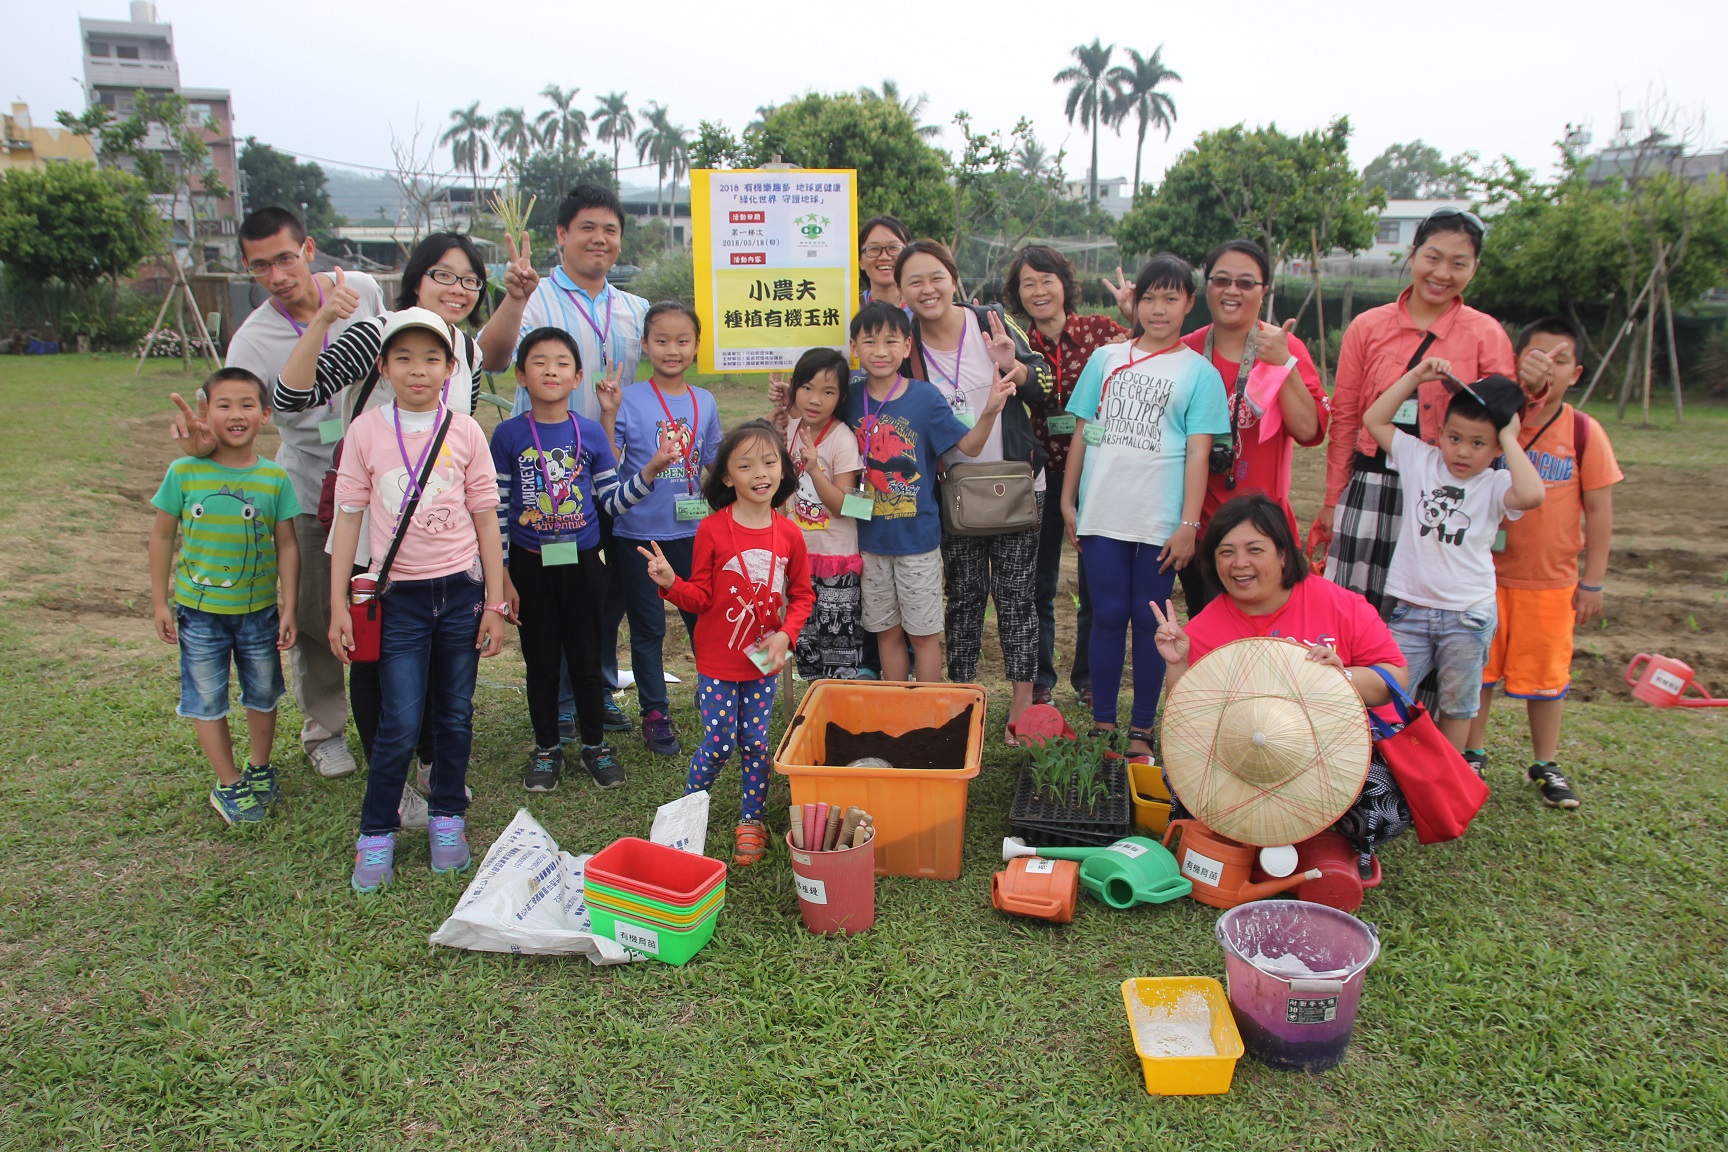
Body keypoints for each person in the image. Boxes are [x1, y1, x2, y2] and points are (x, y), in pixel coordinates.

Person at [273, 231, 489, 823]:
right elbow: (292, 398)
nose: (458, 289)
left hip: (439, 544)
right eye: (444, 275)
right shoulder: (378, 333)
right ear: (416, 279)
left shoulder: (463, 351)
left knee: (439, 659)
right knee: (375, 656)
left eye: (469, 279)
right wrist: (320, 322)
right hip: (373, 537)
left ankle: (426, 764)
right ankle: (389, 784)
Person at [176, 206, 384, 782]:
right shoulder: (252, 339)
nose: (278, 275)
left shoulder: (362, 289)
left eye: (286, 259)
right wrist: (199, 442)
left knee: (380, 603)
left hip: (381, 482)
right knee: (318, 614)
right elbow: (226, 417)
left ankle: (388, 718)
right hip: (310, 484)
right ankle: (325, 731)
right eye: (261, 266)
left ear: (309, 249)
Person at [328, 309, 507, 893]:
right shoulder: (366, 432)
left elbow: (486, 521)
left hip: (460, 594)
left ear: (451, 369)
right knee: (399, 721)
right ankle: (375, 832)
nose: (418, 370)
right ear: (383, 368)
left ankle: (447, 820)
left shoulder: (466, 431)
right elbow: (348, 522)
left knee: (455, 716)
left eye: (431, 359)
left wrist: (495, 604)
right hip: (396, 598)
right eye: (403, 358)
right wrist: (337, 606)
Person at [1151, 494, 1412, 867]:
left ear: (1283, 554)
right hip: (1250, 761)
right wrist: (1176, 665)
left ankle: (1311, 839)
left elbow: (1394, 678)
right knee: (1182, 791)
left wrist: (1342, 677)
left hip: (1339, 751)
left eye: (1254, 549)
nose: (1239, 563)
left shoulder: (1338, 603)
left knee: (1384, 808)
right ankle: (1271, 836)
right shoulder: (1206, 626)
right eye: (1226, 552)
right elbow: (1188, 725)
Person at [1311, 206, 1544, 617]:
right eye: (1432, 258)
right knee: (1355, 614)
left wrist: (1533, 387)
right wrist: (1334, 498)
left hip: (1449, 492)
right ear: (1413, 255)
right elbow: (1346, 417)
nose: (1442, 273)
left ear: (1475, 268)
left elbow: (1507, 415)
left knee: (1427, 616)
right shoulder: (1368, 327)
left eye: (1459, 263)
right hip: (1372, 485)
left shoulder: (1484, 333)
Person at [478, 184, 648, 736]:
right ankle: (561, 702)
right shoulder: (536, 301)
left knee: (605, 592)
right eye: (587, 228)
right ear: (561, 235)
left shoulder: (634, 309)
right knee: (551, 590)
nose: (600, 239)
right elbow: (495, 358)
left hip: (609, 469)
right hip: (545, 483)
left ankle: (595, 685)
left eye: (610, 230)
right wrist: (512, 299)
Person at [493, 328, 682, 793]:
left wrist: (653, 468)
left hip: (582, 563)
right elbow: (496, 509)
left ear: (577, 376)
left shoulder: (590, 432)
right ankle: (546, 748)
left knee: (586, 657)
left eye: (561, 363)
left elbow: (612, 503)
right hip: (529, 564)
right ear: (520, 375)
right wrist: (501, 575)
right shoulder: (507, 435)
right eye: (539, 362)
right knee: (539, 661)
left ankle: (595, 746)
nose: (550, 370)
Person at [1060, 254, 1229, 756]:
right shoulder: (1105, 360)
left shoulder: (1200, 374)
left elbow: (1198, 453)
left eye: (1170, 299)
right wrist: (1069, 502)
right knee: (1108, 614)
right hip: (1103, 515)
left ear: (1189, 305)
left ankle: (1140, 731)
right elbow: (1083, 433)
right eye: (1150, 297)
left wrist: (1188, 525)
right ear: (1136, 302)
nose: (1158, 309)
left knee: (1151, 619)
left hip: (1160, 520)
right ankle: (1103, 725)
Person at [898, 239, 1053, 735]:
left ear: (953, 278)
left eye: (936, 276)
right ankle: (964, 703)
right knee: (963, 599)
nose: (928, 289)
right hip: (955, 493)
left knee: (1017, 600)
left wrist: (1014, 364)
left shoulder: (990, 320)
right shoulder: (905, 346)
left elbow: (1046, 384)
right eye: (914, 281)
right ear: (902, 291)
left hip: (1017, 488)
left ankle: (1021, 712)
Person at [642, 421, 815, 866]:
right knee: (719, 743)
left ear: (783, 471)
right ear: (726, 477)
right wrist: (670, 582)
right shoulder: (713, 531)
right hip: (718, 662)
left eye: (769, 462)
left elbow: (802, 596)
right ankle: (685, 814)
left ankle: (751, 820)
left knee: (757, 743)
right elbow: (699, 597)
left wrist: (785, 633)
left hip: (764, 663)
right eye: (746, 465)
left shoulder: (790, 533)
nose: (760, 473)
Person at [1466, 318, 1621, 809]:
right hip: (1483, 575)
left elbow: (1598, 510)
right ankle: (1472, 754)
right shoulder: (1491, 421)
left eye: (1559, 360)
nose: (1546, 368)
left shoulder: (1582, 431)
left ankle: (1546, 763)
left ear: (1574, 373)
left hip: (1550, 583)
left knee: (1546, 680)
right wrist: (1515, 392)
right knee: (1480, 673)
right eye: (1536, 356)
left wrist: (1592, 581)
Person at [1364, 360, 1545, 751]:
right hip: (1409, 609)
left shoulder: (1497, 483)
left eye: (1479, 443)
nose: (1463, 451)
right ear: (1440, 434)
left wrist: (1512, 439)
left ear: (1497, 447)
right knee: (1389, 694)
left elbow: (1533, 495)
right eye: (1455, 438)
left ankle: (1445, 781)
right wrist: (1414, 377)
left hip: (1468, 614)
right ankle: (1385, 776)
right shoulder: (1420, 460)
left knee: (1458, 706)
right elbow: (1374, 420)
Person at [149, 368, 300, 825]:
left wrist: (289, 605)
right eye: (224, 405)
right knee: (207, 697)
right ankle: (229, 782)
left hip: (259, 612)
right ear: (205, 413)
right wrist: (160, 601)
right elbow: (161, 537)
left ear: (266, 414)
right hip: (199, 614)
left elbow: (288, 544)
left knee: (263, 693)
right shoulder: (183, 471)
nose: (236, 415)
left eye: (247, 404)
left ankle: (258, 768)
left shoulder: (275, 477)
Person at [838, 301, 1013, 683]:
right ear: (854, 348)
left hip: (917, 541)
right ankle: (897, 704)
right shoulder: (848, 399)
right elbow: (813, 416)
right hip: (868, 540)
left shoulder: (926, 397)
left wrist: (990, 411)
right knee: (886, 631)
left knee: (923, 633)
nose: (880, 351)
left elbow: (968, 448)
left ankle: (928, 712)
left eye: (890, 341)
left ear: (906, 347)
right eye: (869, 342)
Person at [1003, 244, 1129, 710]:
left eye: (1047, 280)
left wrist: (1133, 314)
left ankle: (1092, 677)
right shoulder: (1015, 339)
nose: (1039, 291)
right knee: (1038, 581)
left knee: (1097, 579)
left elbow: (1149, 352)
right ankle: (1038, 679)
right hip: (1033, 476)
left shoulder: (1100, 331)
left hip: (1097, 475)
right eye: (1028, 283)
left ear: (1064, 284)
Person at [601, 301, 724, 757]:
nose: (672, 350)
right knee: (649, 628)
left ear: (695, 347)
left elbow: (715, 463)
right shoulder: (628, 398)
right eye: (662, 340)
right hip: (638, 536)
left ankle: (711, 695)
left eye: (682, 341)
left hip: (693, 535)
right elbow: (608, 465)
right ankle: (655, 713)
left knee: (703, 621)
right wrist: (609, 413)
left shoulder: (704, 401)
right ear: (646, 345)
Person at [1179, 240, 1329, 614]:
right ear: (1207, 286)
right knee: (1205, 630)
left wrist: (1284, 365)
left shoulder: (1283, 346)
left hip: (1260, 533)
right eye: (1222, 280)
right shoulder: (1186, 350)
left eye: (1246, 283)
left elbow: (1310, 431)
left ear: (1264, 292)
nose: (1232, 290)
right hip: (1195, 531)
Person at [777, 347, 865, 680]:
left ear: (841, 396)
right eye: (807, 388)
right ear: (795, 387)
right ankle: (815, 711)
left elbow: (844, 506)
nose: (815, 399)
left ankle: (841, 711)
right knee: (806, 642)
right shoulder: (792, 427)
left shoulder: (842, 439)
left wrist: (815, 469)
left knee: (839, 644)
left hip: (835, 561)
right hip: (799, 557)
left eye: (828, 392)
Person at [858, 214, 912, 312]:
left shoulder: (923, 310)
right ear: (860, 261)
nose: (884, 257)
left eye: (893, 248)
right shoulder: (849, 310)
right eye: (874, 249)